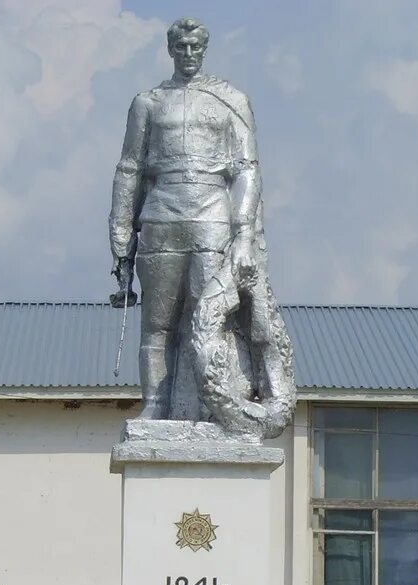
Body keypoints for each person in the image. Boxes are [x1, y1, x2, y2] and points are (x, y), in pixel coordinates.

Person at [108, 17, 294, 436]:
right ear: (171, 50)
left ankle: (208, 408)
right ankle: (155, 406)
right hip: (160, 217)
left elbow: (247, 169)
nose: (189, 55)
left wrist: (244, 232)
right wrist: (121, 237)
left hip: (212, 216)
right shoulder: (148, 103)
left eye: (196, 48)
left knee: (209, 319)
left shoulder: (230, 100)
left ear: (204, 50)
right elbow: (130, 169)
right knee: (158, 323)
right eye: (181, 48)